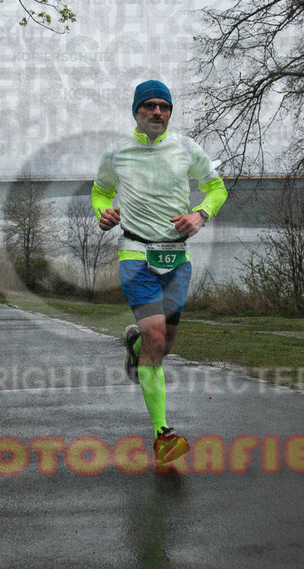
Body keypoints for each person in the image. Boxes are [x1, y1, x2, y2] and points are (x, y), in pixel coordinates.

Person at [91, 80, 228, 469]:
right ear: (136, 111)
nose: (157, 112)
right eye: (149, 105)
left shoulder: (186, 149)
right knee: (156, 338)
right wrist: (103, 212)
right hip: (135, 254)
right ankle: (162, 435)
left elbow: (216, 188)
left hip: (177, 258)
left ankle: (136, 348)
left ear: (169, 112)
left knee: (162, 345)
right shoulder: (117, 153)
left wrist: (200, 215)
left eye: (163, 106)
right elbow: (100, 192)